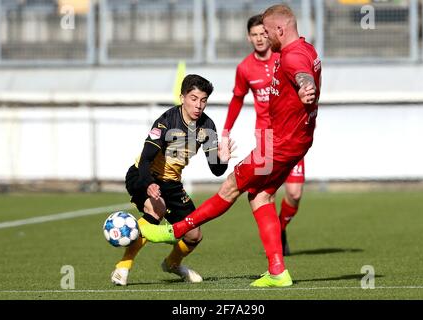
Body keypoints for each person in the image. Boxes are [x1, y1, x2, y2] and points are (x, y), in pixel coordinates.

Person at [140, 4, 321, 288]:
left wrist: (305, 84)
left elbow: (301, 74)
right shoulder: (306, 48)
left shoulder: (292, 56)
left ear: (280, 30)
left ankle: (175, 230)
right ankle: (277, 271)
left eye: (267, 33)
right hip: (295, 142)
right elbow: (300, 70)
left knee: (231, 186)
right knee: (260, 197)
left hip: (277, 145)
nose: (265, 38)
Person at [111, 74, 233, 285]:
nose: (198, 105)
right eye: (193, 98)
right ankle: (123, 266)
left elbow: (216, 170)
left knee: (194, 235)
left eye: (203, 100)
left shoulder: (207, 126)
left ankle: (172, 264)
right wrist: (149, 184)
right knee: (156, 209)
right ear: (182, 97)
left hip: (172, 184)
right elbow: (146, 157)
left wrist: (223, 159)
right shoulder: (166, 121)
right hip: (143, 175)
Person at [222, 14, 307, 257]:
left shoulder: (285, 58)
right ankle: (275, 250)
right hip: (267, 139)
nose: (259, 39)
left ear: (269, 34)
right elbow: (237, 99)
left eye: (263, 33)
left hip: (291, 134)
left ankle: (281, 228)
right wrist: (226, 132)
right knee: (265, 193)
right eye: (254, 35)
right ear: (249, 38)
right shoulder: (245, 68)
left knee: (295, 193)